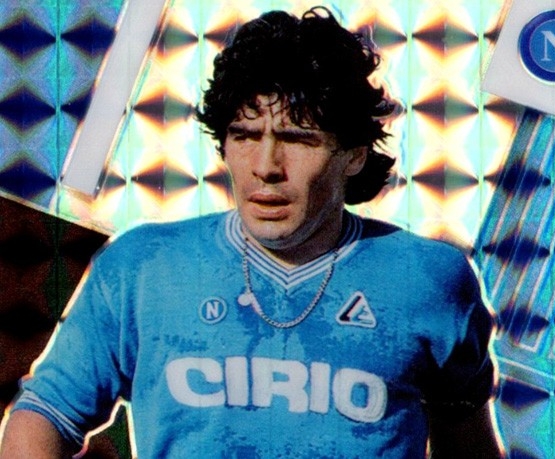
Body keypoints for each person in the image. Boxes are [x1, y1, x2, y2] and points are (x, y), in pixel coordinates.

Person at [0, 7, 504, 458]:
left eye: (297, 139)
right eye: (244, 136)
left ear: (353, 154)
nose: (266, 166)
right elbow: (46, 414)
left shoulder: (429, 279)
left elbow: (468, 443)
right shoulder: (142, 268)